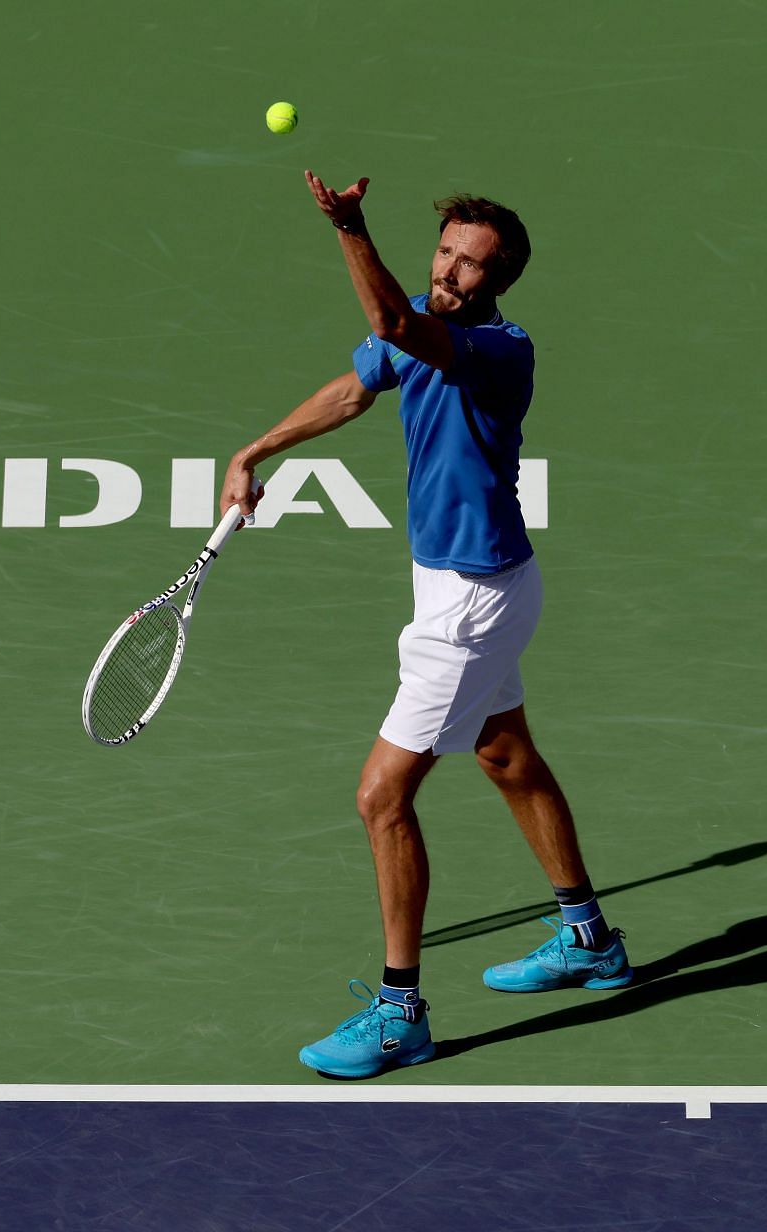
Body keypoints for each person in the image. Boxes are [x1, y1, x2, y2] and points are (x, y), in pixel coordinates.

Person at [219, 170, 631, 1080]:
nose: (450, 270)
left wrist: (349, 226)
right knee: (505, 755)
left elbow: (396, 333)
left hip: (474, 604)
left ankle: (401, 1012)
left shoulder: (496, 351)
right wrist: (256, 451)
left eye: (470, 263)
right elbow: (360, 385)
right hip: (459, 586)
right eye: (445, 251)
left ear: (501, 278)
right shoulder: (415, 319)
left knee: (381, 797)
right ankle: (589, 939)